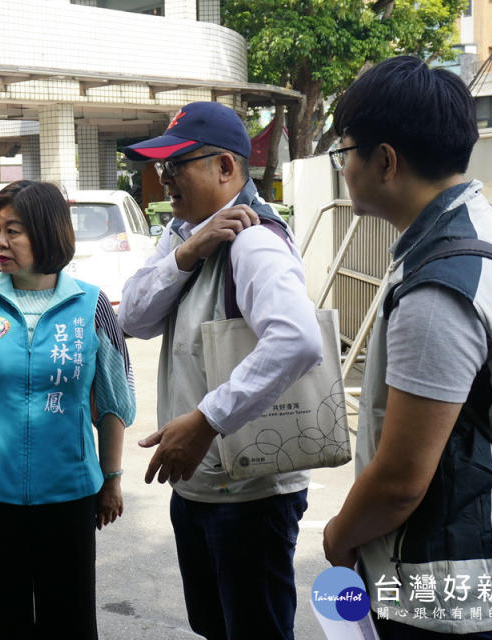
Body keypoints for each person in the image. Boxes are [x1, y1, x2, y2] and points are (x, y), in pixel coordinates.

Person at [322, 56, 492, 638]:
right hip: (490, 559)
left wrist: (340, 534)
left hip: (452, 593)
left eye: (345, 150)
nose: (344, 167)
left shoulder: (438, 291)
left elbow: (401, 479)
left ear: (385, 160)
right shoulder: (484, 233)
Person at [119, 101, 322, 640]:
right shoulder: (181, 235)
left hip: (251, 494)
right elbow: (133, 320)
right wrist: (187, 253)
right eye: (161, 169)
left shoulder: (255, 240)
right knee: (216, 626)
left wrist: (207, 419)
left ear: (226, 169)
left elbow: (298, 338)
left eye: (177, 166)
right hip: (200, 486)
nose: (165, 182)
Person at [0, 180, 136, 640]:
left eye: (13, 230)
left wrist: (112, 478)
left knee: (71, 620)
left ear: (48, 233)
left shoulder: (92, 304)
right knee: (1, 623)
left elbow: (112, 402)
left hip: (70, 495)